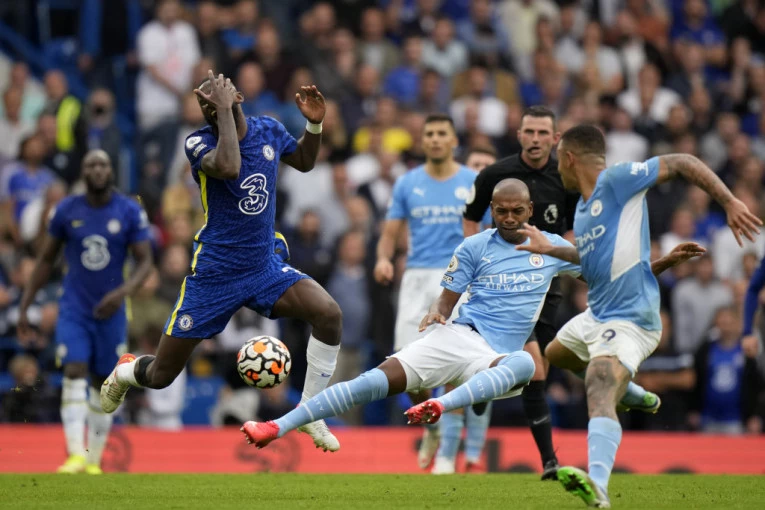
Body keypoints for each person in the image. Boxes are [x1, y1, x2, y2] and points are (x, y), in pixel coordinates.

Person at [241, 179, 702, 450]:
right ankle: (276, 427)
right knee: (371, 381)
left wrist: (665, 262)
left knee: (528, 363)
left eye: (516, 211)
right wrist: (435, 313)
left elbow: (614, 276)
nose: (508, 218)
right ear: (492, 211)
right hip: (457, 336)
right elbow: (446, 299)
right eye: (500, 211)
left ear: (530, 210)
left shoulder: (552, 248)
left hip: (494, 360)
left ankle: (440, 406)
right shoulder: (474, 246)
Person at [517, 124, 761, 508]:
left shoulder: (617, 180)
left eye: (557, 159)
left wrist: (729, 202)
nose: (555, 167)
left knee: (598, 379)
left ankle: (598, 486)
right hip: (598, 314)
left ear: (569, 158)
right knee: (556, 353)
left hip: (631, 319)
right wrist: (552, 249)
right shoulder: (583, 210)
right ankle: (629, 391)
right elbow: (594, 267)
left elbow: (682, 161)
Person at [99, 71, 344, 452]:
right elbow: (229, 166)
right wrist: (226, 112)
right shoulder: (198, 142)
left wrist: (314, 125)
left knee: (328, 314)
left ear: (238, 96)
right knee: (161, 375)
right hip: (215, 275)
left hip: (263, 266)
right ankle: (127, 372)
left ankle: (311, 410)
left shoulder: (268, 129)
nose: (210, 106)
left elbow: (305, 160)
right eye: (205, 103)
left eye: (218, 97)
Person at [17, 149, 154, 474]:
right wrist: (25, 304)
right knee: (74, 370)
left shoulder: (128, 210)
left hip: (112, 311)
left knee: (103, 382)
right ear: (83, 171)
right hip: (74, 308)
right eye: (91, 164)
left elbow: (145, 261)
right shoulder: (67, 209)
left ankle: (93, 461)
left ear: (111, 171)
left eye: (103, 164)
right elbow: (46, 260)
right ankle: (75, 455)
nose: (98, 169)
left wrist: (121, 293)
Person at [462, 106, 578, 479]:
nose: (535, 139)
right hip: (501, 283)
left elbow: (572, 230)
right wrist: (477, 263)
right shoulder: (494, 175)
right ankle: (549, 461)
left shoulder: (567, 178)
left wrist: (562, 257)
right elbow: (470, 217)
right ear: (519, 135)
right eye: (529, 131)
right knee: (535, 368)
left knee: (532, 370)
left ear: (555, 138)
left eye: (543, 133)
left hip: (545, 283)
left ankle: (484, 386)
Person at [373, 113, 479, 470]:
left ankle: (447, 453)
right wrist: (384, 259)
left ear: (453, 141)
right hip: (417, 277)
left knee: (455, 366)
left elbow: (485, 232)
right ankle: (432, 427)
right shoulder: (407, 183)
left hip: (458, 276)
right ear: (423, 141)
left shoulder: (472, 181)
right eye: (429, 133)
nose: (434, 139)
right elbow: (390, 232)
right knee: (405, 361)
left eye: (441, 133)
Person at [434, 143, 498, 474]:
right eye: (476, 164)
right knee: (452, 370)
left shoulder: (501, 208)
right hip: (447, 287)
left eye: (487, 165)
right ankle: (446, 452)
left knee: (484, 372)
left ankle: (473, 456)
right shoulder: (454, 202)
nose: (480, 171)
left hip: (488, 295)